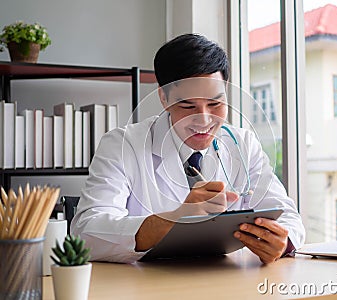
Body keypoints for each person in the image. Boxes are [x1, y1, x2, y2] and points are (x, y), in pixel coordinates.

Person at [71, 33, 305, 263]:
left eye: (215, 103)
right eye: (188, 105)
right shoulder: (122, 145)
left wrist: (280, 242)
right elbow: (86, 232)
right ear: (164, 98)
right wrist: (174, 220)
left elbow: (288, 217)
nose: (204, 120)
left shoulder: (243, 145)